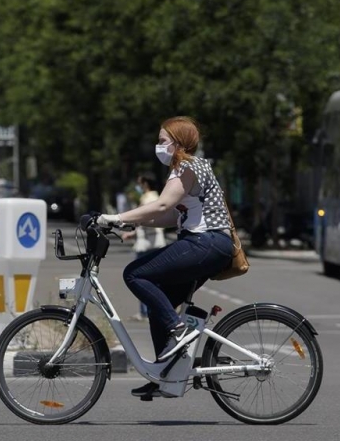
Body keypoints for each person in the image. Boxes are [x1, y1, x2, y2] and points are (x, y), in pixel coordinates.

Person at [90, 116, 234, 398]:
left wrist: (114, 216)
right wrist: (130, 222)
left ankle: (177, 329)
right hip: (211, 244)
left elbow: (163, 203)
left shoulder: (185, 166)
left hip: (205, 242)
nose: (158, 146)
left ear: (178, 143)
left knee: (134, 274)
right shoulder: (195, 165)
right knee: (160, 301)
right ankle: (164, 373)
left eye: (162, 141)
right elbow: (169, 215)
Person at [122, 172, 166, 321]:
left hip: (147, 243)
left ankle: (146, 311)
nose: (139, 187)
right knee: (154, 277)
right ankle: (151, 310)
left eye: (140, 184)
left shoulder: (148, 198)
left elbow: (144, 219)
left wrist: (130, 227)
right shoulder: (158, 197)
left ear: (145, 184)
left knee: (138, 276)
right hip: (155, 241)